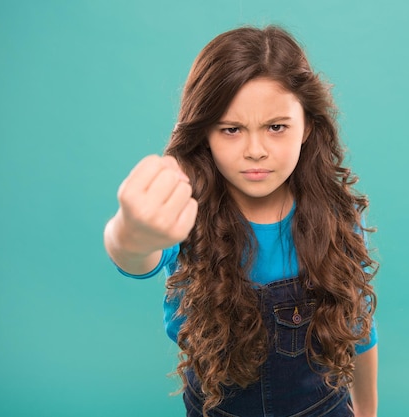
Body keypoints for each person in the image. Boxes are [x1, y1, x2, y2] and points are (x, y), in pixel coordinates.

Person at [104, 25, 379, 417]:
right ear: (205, 135)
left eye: (276, 127)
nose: (255, 151)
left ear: (308, 128)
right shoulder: (186, 211)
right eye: (231, 129)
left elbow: (361, 330)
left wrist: (368, 412)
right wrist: (130, 232)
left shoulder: (336, 218)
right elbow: (133, 254)